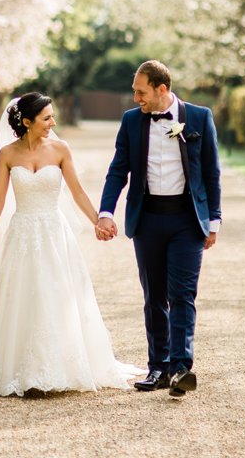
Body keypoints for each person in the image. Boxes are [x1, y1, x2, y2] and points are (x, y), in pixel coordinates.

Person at [0, 92, 141, 397]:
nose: (53, 122)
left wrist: (98, 220)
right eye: (46, 118)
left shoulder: (61, 149)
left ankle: (57, 365)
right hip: (22, 234)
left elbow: (77, 193)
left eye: (52, 116)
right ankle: (22, 369)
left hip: (53, 234)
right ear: (27, 122)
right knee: (23, 296)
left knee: (56, 294)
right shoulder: (8, 154)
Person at [96, 60, 222, 398]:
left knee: (182, 295)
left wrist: (214, 220)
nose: (136, 97)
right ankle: (158, 367)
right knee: (154, 297)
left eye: (141, 91)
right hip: (148, 219)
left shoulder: (198, 117)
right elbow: (117, 170)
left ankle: (181, 369)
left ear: (161, 89)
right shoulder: (131, 121)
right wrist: (106, 211)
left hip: (187, 221)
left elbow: (211, 173)